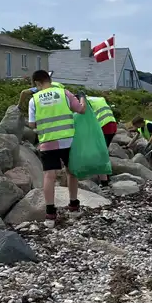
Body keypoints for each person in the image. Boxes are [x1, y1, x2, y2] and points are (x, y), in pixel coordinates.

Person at [26, 70, 86, 227]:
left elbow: (32, 124)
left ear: (37, 83)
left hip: (48, 142)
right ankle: (73, 207)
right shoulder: (64, 93)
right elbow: (81, 110)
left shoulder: (34, 100)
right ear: (49, 80)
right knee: (71, 172)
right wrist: (82, 98)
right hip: (68, 140)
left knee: (49, 176)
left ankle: (50, 215)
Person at [85, 95, 118, 186]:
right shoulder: (97, 99)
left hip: (104, 126)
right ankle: (107, 177)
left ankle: (104, 182)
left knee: (99, 154)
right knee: (103, 152)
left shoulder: (84, 102)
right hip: (112, 124)